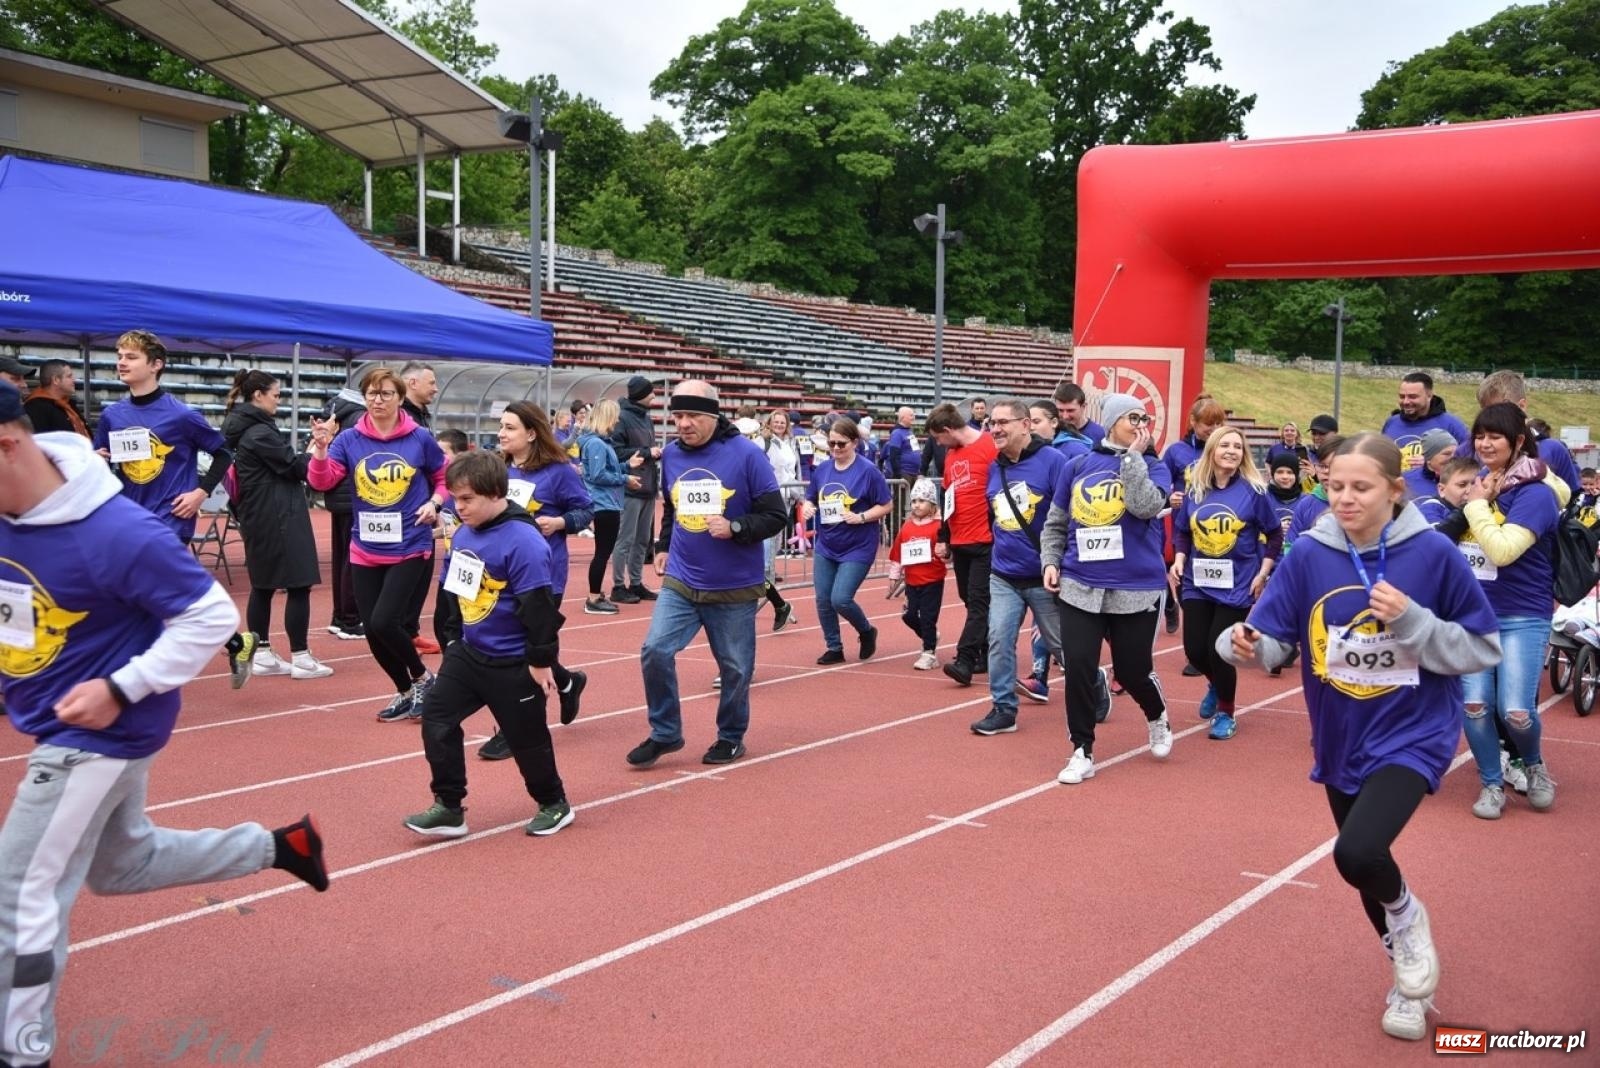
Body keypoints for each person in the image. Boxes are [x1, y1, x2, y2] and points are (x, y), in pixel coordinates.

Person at [0, 387, 329, 1068]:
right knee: (124, 867)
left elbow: (211, 618)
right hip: (54, 722)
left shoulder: (115, 533)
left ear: (8, 445)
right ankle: (280, 847)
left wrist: (121, 687)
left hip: (97, 739)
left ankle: (21, 1050)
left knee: (19, 891)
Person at [1221, 432, 1500, 1042]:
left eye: (1361, 487)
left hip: (1415, 730)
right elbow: (1270, 641)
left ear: (1394, 491)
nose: (1344, 498)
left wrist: (1413, 620)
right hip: (1341, 733)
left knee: (1355, 853)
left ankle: (1409, 923)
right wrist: (1245, 646)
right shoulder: (1309, 555)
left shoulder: (1433, 555)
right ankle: (1406, 973)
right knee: (1367, 864)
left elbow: (1482, 646)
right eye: (1335, 485)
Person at [403, 451, 575, 839]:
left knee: (527, 742)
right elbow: (453, 591)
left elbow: (540, 610)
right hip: (468, 653)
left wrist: (539, 661)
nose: (457, 507)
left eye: (467, 499)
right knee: (437, 719)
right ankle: (449, 807)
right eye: (456, 498)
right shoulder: (464, 532)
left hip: (513, 661)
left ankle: (554, 803)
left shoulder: (524, 542)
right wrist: (450, 637)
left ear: (495, 493)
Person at [626, 380, 788, 769]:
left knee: (734, 668)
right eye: (677, 415)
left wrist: (735, 528)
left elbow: (776, 516)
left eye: (692, 416)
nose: (683, 423)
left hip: (733, 586)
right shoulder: (674, 457)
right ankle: (666, 732)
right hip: (682, 579)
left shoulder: (747, 456)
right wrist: (662, 547)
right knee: (654, 651)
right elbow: (674, 509)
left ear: (714, 416)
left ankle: (730, 736)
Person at [91, 330, 252, 689]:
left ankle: (128, 673)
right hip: (128, 514)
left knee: (146, 586)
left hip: (170, 515)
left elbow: (224, 453)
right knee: (169, 588)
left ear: (156, 365)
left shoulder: (181, 415)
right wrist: (96, 461)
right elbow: (102, 458)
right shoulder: (112, 415)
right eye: (119, 355)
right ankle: (237, 641)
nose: (121, 362)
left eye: (131, 357)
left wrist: (199, 493)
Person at [1040, 393, 1175, 784]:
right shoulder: (1078, 464)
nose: (1141, 424)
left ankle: (1156, 714)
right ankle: (1081, 749)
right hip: (1080, 583)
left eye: (1145, 418)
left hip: (1135, 587)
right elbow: (1057, 521)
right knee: (1079, 666)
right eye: (1134, 417)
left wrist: (1132, 459)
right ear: (1113, 420)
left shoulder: (1154, 466)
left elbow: (1145, 506)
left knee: (1133, 671)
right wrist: (1050, 561)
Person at [307, 366, 446, 722]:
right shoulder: (349, 440)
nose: (377, 400)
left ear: (400, 398)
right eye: (371, 393)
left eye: (385, 393)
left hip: (410, 543)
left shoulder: (419, 438)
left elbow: (443, 477)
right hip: (365, 546)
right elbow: (322, 482)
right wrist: (321, 450)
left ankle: (423, 678)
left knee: (385, 621)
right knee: (372, 630)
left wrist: (435, 503)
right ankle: (406, 690)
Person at [1456, 402, 1564, 818]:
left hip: (1523, 615)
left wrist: (1477, 506)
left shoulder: (1535, 494)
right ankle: (1490, 783)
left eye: (1494, 436)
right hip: (1474, 616)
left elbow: (1501, 551)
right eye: (1479, 435)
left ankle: (1533, 763)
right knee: (1475, 705)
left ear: (1518, 441)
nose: (1484, 443)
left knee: (1516, 712)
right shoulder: (1480, 484)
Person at [477, 402, 592, 761]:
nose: (501, 433)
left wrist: (558, 523)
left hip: (542, 575)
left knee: (519, 653)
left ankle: (514, 730)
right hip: (499, 575)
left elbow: (585, 509)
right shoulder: (496, 469)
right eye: (501, 426)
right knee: (516, 650)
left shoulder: (558, 472)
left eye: (510, 428)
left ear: (531, 433)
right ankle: (568, 681)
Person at [1169, 426, 1281, 739]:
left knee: (1219, 650)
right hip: (1197, 580)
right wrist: (1179, 559)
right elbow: (1182, 531)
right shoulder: (1195, 490)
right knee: (1194, 651)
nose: (1232, 451)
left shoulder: (1253, 492)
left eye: (1237, 446)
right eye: (1225, 445)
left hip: (1238, 583)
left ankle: (1226, 711)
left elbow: (1274, 533)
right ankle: (1216, 684)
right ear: (1212, 451)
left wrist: (1263, 572)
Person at [219, 369, 332, 680]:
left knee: (263, 584)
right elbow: (296, 468)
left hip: (257, 512)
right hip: (278, 513)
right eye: (276, 394)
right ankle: (301, 656)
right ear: (258, 395)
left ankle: (265, 653)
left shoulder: (241, 429)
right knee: (298, 582)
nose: (278, 401)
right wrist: (317, 444)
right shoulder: (260, 433)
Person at [969, 399, 1069, 736]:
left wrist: (1058, 562)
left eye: (1002, 423)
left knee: (1062, 645)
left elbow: (1068, 516)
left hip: (1043, 574)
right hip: (1004, 574)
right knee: (998, 637)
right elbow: (993, 512)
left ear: (1025, 425)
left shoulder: (1054, 462)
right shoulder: (994, 466)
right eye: (991, 423)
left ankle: (1092, 684)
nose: (994, 429)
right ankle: (1003, 709)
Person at [802, 416, 891, 664]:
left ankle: (866, 630)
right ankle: (834, 646)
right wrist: (808, 508)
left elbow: (886, 505)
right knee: (822, 599)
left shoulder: (868, 471)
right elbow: (811, 497)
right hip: (827, 544)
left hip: (858, 545)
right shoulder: (823, 469)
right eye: (831, 444)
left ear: (854, 442)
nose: (836, 449)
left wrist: (861, 517)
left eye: (841, 444)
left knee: (840, 598)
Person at [926, 402, 998, 686]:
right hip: (960, 540)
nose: (937, 443)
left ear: (947, 430)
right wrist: (944, 537)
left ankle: (964, 660)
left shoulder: (990, 447)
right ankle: (985, 651)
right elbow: (948, 497)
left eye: (937, 438)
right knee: (969, 600)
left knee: (979, 602)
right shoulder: (951, 455)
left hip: (986, 539)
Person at [1161, 395, 1227, 651]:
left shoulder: (1226, 450)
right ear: (1193, 422)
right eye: (1207, 424)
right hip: (1185, 531)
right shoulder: (1177, 451)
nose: (1212, 430)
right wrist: (1170, 496)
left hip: (1219, 531)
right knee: (1191, 594)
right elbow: (1159, 482)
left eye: (1218, 423)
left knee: (1214, 592)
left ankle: (1210, 647)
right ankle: (1197, 648)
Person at [1476, 369, 1582, 495]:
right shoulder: (1484, 448)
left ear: (1521, 406)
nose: (1492, 418)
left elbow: (1575, 499)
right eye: (1486, 411)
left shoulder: (1552, 449)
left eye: (1500, 410)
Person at [318, 380, 369, 640]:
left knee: (342, 559)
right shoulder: (360, 417)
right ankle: (349, 618)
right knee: (353, 559)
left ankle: (341, 615)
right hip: (353, 494)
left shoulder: (336, 408)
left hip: (337, 494)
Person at [610, 375, 663, 605]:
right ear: (642, 394)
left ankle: (636, 582)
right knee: (625, 539)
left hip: (648, 486)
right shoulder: (621, 418)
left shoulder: (646, 418)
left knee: (642, 539)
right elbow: (616, 453)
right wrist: (646, 452)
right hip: (630, 486)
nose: (654, 395)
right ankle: (618, 586)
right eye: (650, 392)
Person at [579, 399, 632, 615]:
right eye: (615, 416)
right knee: (602, 552)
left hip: (606, 501)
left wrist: (627, 466)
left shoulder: (600, 443)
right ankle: (593, 597)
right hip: (604, 502)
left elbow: (605, 469)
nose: (618, 420)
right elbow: (598, 474)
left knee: (603, 551)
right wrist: (625, 478)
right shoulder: (597, 444)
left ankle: (595, 594)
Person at [888, 479, 947, 669]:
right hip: (912, 581)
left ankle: (929, 653)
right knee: (909, 615)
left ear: (932, 504)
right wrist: (894, 574)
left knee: (929, 617)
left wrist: (945, 554)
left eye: (922, 501)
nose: (917, 505)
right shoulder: (907, 527)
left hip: (933, 580)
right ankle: (929, 635)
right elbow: (898, 551)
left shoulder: (939, 526)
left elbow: (946, 551)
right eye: (914, 501)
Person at [428, 429, 470, 652]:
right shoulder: (441, 488)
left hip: (472, 566)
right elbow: (446, 528)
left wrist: (458, 531)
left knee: (466, 627)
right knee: (442, 625)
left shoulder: (473, 486)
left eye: (442, 453)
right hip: (450, 566)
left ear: (460, 455)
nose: (437, 458)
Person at [1382, 372, 1471, 469]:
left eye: (1413, 397)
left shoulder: (1451, 424)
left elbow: (1471, 460)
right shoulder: (1391, 423)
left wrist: (1431, 464)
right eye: (1402, 396)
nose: (1406, 402)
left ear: (1429, 396)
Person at [1400, 429, 1457, 522]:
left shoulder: (1463, 481)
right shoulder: (1405, 480)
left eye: (1456, 453)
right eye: (1447, 454)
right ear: (1428, 458)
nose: (1453, 458)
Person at [21, 360, 87, 437]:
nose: (74, 380)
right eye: (69, 376)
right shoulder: (37, 408)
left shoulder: (68, 403)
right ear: (56, 380)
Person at [399, 360, 438, 430]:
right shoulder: (398, 417)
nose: (436, 389)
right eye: (431, 383)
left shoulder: (423, 415)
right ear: (413, 384)